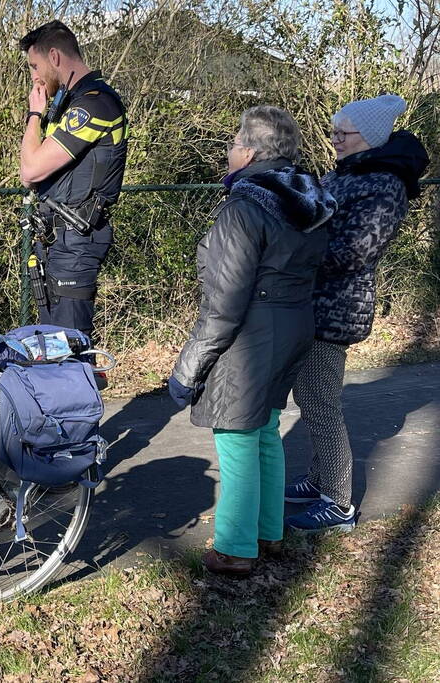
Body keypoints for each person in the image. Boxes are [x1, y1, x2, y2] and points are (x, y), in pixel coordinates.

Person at [168, 106, 334, 576]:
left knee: (238, 437)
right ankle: (268, 533)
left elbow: (223, 304)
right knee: (265, 433)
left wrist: (187, 370)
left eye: (232, 143)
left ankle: (236, 548)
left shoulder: (245, 207)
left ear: (250, 151)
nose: (228, 152)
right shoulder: (309, 201)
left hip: (251, 337)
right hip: (294, 325)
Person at [284, 95, 430, 532]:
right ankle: (320, 479)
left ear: (369, 138)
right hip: (313, 300)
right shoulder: (350, 172)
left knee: (320, 402)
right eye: (333, 132)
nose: (334, 141)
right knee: (309, 398)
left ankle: (339, 504)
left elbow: (354, 251)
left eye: (342, 134)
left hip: (335, 307)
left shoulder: (382, 183)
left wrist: (295, 250)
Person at [18, 20, 128, 339]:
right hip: (59, 241)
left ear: (54, 57)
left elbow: (31, 170)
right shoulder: (69, 104)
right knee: (54, 342)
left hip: (77, 241)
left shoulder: (95, 104)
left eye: (34, 66)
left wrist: (34, 115)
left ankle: (81, 388)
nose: (34, 77)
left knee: (70, 346)